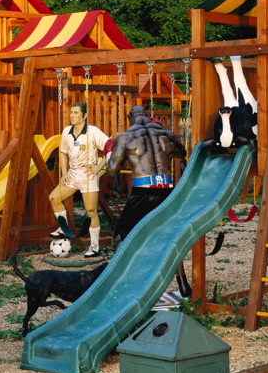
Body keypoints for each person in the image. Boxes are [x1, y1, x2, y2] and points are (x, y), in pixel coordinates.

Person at [105, 105, 186, 246]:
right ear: (147, 116)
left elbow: (112, 171)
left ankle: (126, 268)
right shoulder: (167, 134)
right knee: (169, 239)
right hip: (167, 190)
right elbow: (182, 153)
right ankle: (174, 268)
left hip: (143, 191)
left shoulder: (125, 137)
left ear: (129, 118)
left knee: (121, 238)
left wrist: (109, 155)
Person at [49, 102, 111, 258]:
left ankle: (95, 246)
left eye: (76, 113)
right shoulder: (66, 131)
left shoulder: (93, 132)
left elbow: (111, 146)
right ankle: (63, 228)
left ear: (84, 115)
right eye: (71, 112)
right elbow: (63, 152)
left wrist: (100, 167)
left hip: (88, 174)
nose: (72, 116)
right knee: (54, 197)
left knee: (90, 210)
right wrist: (64, 173)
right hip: (73, 174)